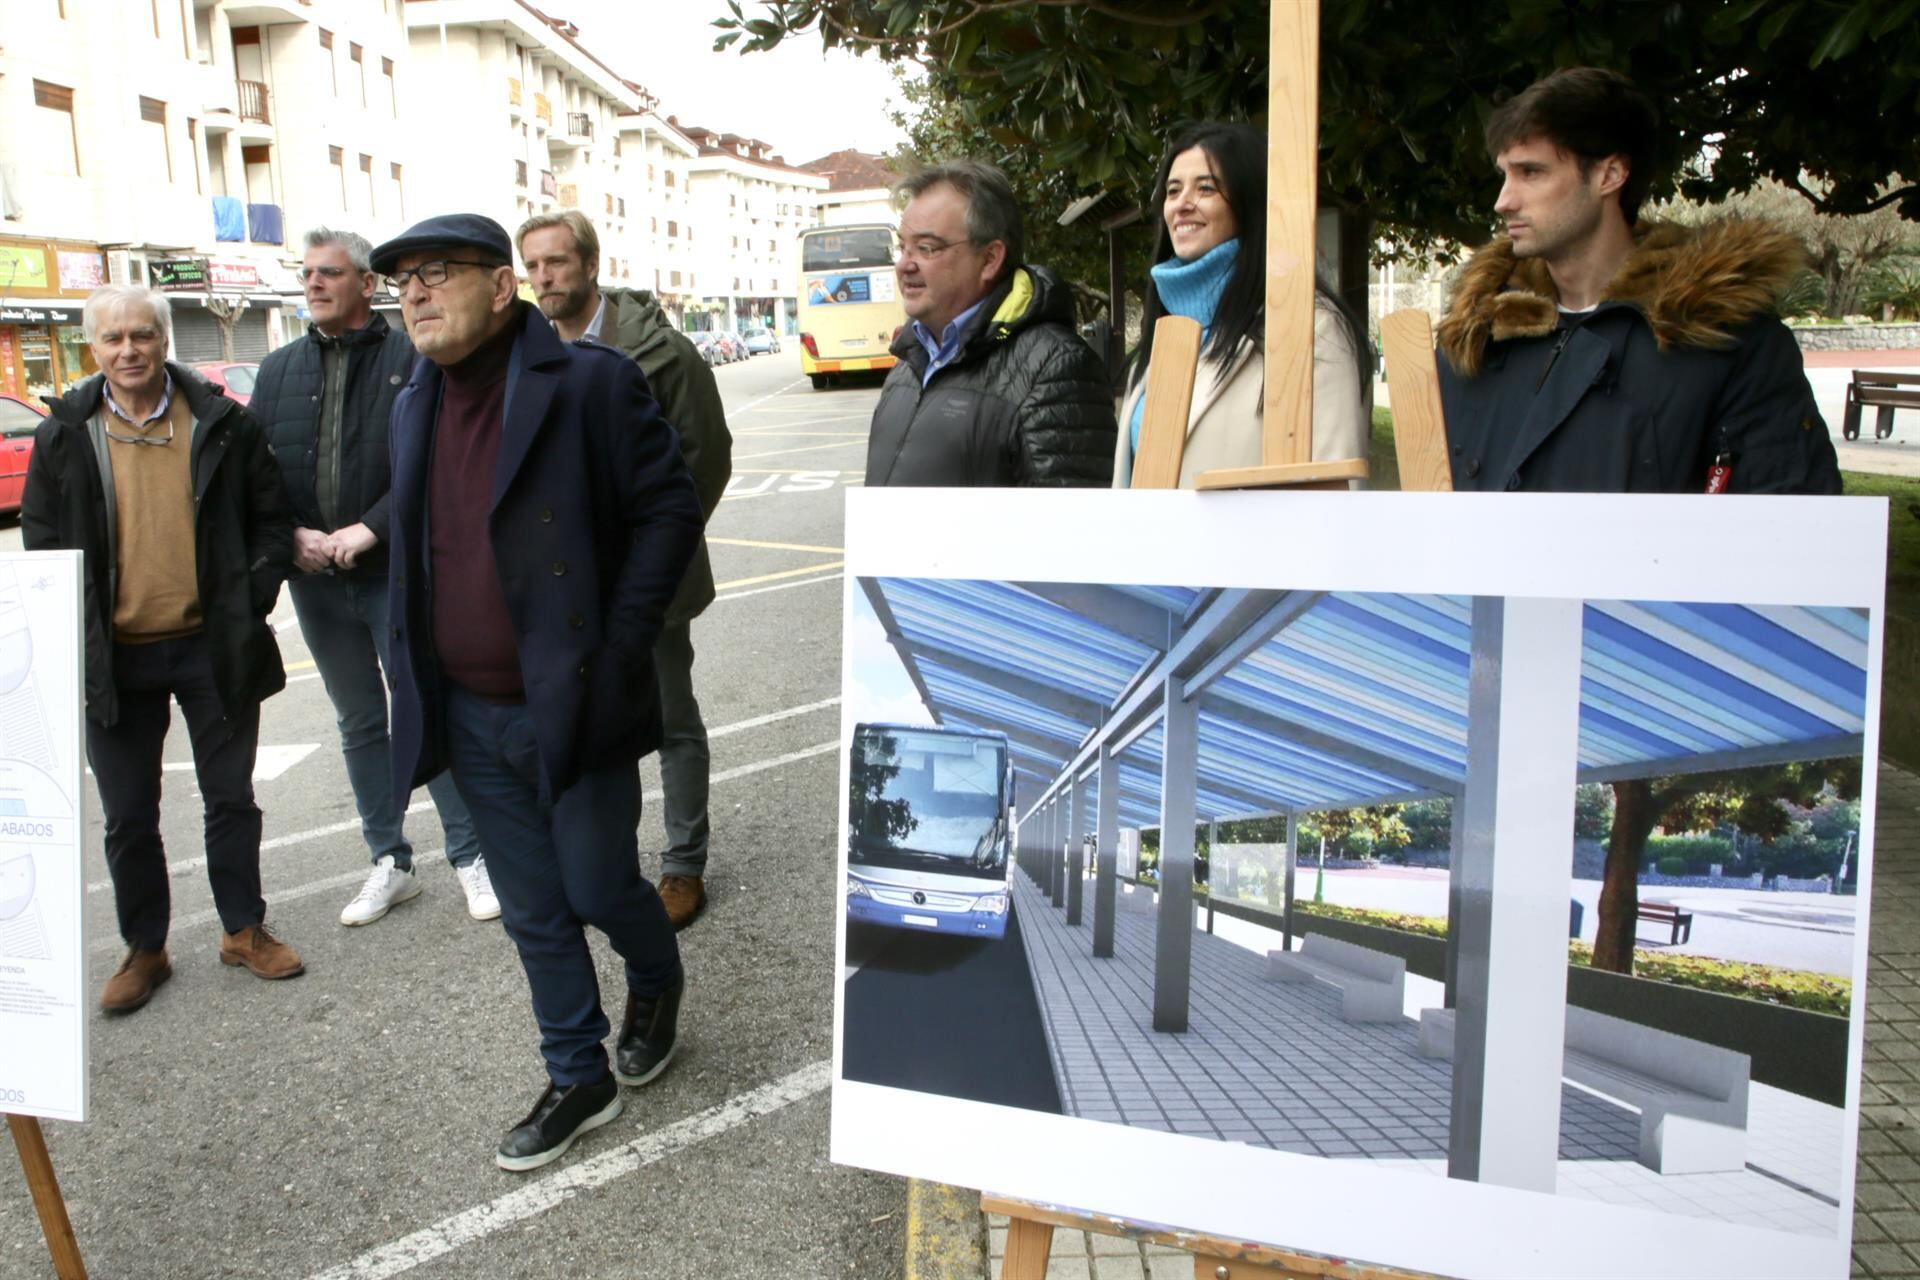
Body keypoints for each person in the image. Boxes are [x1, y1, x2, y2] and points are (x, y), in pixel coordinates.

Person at [374, 213, 703, 1171]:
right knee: (532, 908)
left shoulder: (588, 381)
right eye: (403, 280)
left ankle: (655, 976)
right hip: (465, 710)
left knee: (599, 883)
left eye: (438, 272)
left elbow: (668, 509)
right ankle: (577, 1072)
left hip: (573, 698)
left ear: (502, 286)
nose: (417, 293)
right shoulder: (412, 401)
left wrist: (619, 642)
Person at [22, 285, 302, 1013]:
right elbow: (42, 545)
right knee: (127, 816)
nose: (129, 350)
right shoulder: (64, 434)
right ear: (94, 348)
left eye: (142, 334)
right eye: (113, 339)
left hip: (214, 649)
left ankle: (243, 930)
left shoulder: (221, 424)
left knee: (231, 799)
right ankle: (146, 948)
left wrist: (249, 599)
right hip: (113, 660)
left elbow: (272, 520)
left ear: (164, 340)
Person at [1436, 66, 1840, 494]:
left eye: (1531, 172)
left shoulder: (1730, 345)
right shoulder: (1474, 336)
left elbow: (1788, 534)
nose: (1504, 201)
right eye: (1505, 174)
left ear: (1610, 175)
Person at [252, 227, 495, 927]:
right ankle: (388, 861)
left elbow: (435, 463)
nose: (314, 284)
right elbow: (261, 475)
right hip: (316, 579)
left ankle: (471, 856)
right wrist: (291, 535)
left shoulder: (412, 359)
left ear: (365, 284)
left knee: (422, 706)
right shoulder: (278, 370)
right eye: (307, 274)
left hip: (395, 571)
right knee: (359, 721)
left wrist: (374, 528)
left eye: (329, 273)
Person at [516, 210, 731, 930]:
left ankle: (682, 865)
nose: (545, 278)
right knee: (581, 724)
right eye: (534, 266)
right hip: (563, 587)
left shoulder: (661, 352)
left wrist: (654, 553)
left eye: (557, 263)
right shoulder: (523, 355)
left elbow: (707, 455)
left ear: (590, 263)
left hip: (651, 583)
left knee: (670, 719)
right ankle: (600, 868)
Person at [1112, 122, 1370, 488]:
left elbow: (1336, 492)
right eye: (1173, 190)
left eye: (1206, 188)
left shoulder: (1313, 328)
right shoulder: (1166, 331)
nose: (1182, 204)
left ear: (1250, 203)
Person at [866, 160, 1116, 486]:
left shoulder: (1056, 367)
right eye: (902, 247)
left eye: (926, 248)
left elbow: (1069, 528)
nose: (904, 265)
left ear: (989, 259)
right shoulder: (908, 366)